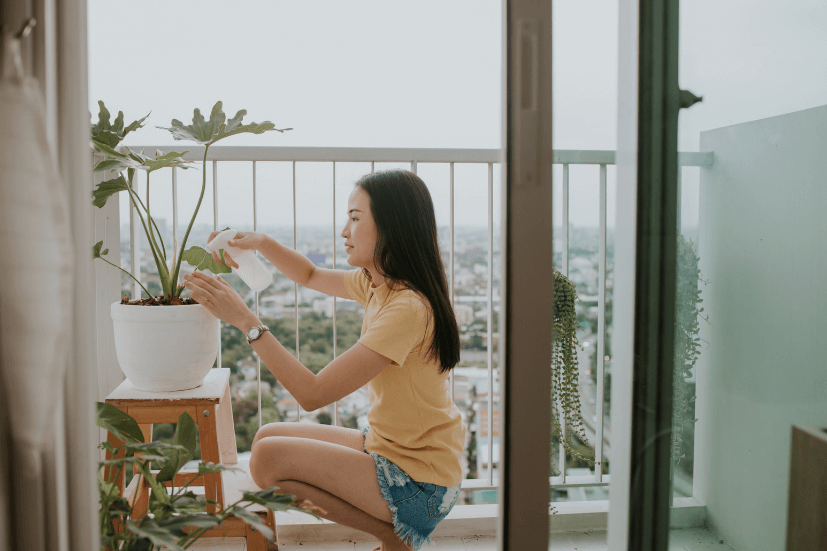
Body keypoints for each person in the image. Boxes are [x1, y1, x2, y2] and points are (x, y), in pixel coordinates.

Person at [182, 169, 466, 551]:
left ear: (391, 227)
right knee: (266, 437)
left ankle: (394, 535)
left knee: (266, 458)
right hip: (391, 450)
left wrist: (245, 320)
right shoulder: (377, 284)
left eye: (354, 218)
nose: (344, 232)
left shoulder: (407, 308)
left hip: (418, 484)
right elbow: (310, 273)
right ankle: (396, 536)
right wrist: (261, 243)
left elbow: (312, 394)